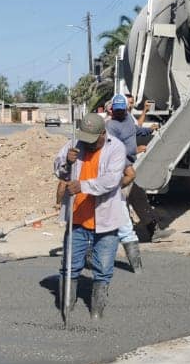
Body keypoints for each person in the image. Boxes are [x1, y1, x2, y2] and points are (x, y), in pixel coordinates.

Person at [55, 112, 129, 319]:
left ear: (103, 134)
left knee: (103, 268)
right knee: (69, 267)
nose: (86, 144)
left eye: (92, 140)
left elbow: (111, 181)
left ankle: (96, 312)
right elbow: (58, 171)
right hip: (77, 219)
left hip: (105, 221)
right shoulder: (74, 144)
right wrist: (66, 162)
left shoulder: (116, 148)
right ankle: (66, 308)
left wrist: (83, 186)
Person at [104, 93, 163, 269]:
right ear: (112, 109)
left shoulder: (128, 118)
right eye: (120, 110)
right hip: (122, 169)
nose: (122, 112)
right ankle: (108, 247)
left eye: (125, 109)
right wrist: (134, 152)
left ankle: (153, 231)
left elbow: (134, 131)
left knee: (139, 198)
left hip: (130, 167)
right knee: (121, 209)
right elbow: (112, 151)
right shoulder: (110, 126)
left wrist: (148, 130)